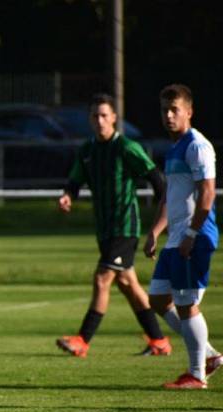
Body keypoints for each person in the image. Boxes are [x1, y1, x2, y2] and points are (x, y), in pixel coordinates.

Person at [56, 93, 171, 358]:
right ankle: (159, 340)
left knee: (102, 278)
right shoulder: (87, 150)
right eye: (95, 115)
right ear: (90, 119)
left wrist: (163, 218)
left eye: (104, 115)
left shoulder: (126, 147)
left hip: (125, 227)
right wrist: (67, 196)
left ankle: (82, 340)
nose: (99, 120)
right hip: (104, 229)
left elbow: (156, 179)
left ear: (114, 118)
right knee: (128, 284)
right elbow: (75, 181)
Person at [145, 84, 220, 389]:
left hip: (194, 236)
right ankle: (211, 355)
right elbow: (170, 198)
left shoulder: (197, 146)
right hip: (175, 238)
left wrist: (191, 233)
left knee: (187, 305)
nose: (168, 115)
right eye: (164, 109)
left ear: (189, 111)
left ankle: (197, 374)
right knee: (159, 298)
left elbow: (208, 192)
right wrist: (155, 230)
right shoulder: (174, 149)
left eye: (174, 109)